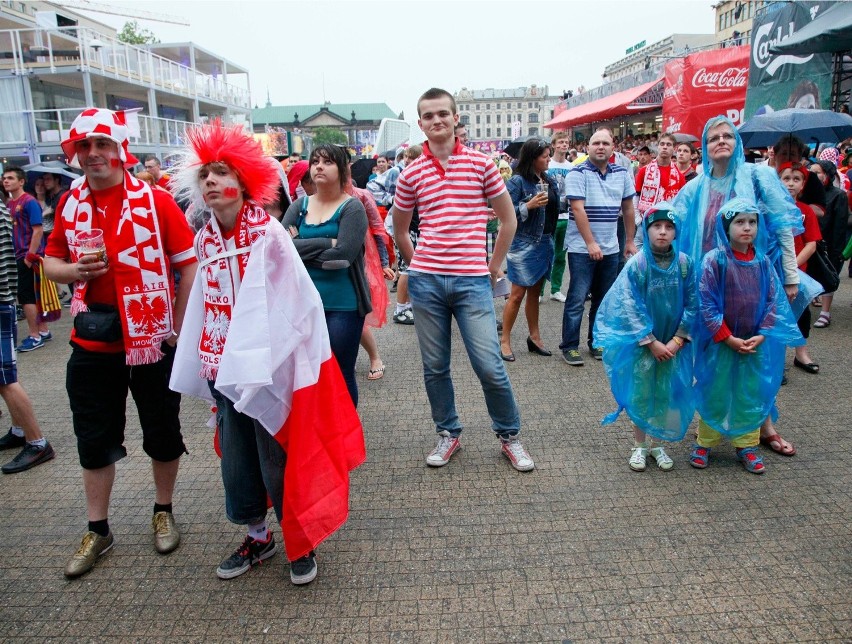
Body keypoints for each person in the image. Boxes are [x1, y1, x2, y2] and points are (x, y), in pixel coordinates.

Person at [168, 120, 364, 585]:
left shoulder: (269, 234)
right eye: (206, 176)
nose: (212, 182)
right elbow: (202, 303)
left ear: (244, 180)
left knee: (279, 454)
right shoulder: (203, 239)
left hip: (271, 368)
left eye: (222, 172)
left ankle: (300, 538)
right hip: (223, 369)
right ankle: (258, 535)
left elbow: (297, 302)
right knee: (237, 459)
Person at [43, 108, 198, 578]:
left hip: (151, 340)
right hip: (91, 343)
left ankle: (163, 510)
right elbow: (51, 263)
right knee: (93, 437)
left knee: (162, 431)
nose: (93, 154)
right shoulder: (70, 204)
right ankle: (98, 529)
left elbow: (187, 263)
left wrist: (177, 326)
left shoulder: (155, 200)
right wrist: (74, 273)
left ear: (119, 150)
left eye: (102, 145)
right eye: (84, 147)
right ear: (75, 153)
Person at [391, 87, 534, 472]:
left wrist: (493, 264)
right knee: (435, 366)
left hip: (472, 281)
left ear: (456, 119)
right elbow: (400, 228)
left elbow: (508, 219)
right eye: (427, 115)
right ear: (420, 123)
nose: (436, 120)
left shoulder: (481, 164)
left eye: (442, 114)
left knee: (489, 363)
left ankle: (510, 436)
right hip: (427, 282)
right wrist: (416, 264)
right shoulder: (410, 173)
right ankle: (448, 432)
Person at [674, 117, 819, 458]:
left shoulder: (757, 176)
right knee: (713, 353)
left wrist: (790, 274)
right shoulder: (697, 185)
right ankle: (711, 424)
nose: (721, 141)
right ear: (705, 148)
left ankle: (763, 426)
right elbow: (672, 222)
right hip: (711, 283)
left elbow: (783, 227)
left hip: (753, 281)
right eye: (714, 138)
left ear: (737, 142)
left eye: (728, 136)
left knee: (760, 355)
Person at [691, 198, 804, 474]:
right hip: (721, 343)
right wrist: (726, 337)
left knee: (750, 393)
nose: (747, 228)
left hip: (754, 344)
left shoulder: (763, 262)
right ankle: (704, 442)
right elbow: (706, 303)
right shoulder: (714, 260)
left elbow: (773, 301)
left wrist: (763, 334)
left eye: (752, 222)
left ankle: (747, 445)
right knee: (715, 390)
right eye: (739, 222)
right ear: (726, 227)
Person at [594, 203, 697, 472]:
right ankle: (639, 446)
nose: (662, 232)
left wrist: (677, 340)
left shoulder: (685, 264)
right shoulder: (637, 264)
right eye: (656, 227)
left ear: (676, 232)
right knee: (641, 393)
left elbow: (694, 303)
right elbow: (629, 305)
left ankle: (657, 444)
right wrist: (650, 341)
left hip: (673, 344)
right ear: (647, 230)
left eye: (669, 227)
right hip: (645, 345)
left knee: (664, 392)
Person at [281, 144, 371, 406]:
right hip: (301, 306)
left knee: (341, 373)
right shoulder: (299, 206)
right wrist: (327, 242)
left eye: (327, 162)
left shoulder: (352, 208)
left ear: (342, 170)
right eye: (315, 161)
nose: (319, 166)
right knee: (306, 375)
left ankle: (346, 437)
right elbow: (281, 249)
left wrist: (303, 249)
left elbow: (342, 258)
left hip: (342, 306)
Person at [558, 127, 638, 367]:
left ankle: (597, 342)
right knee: (577, 298)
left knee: (603, 300)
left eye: (605, 143)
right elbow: (578, 209)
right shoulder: (577, 173)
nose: (600, 147)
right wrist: (590, 242)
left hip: (611, 247)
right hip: (582, 249)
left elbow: (628, 209)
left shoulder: (622, 173)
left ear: (613, 148)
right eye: (596, 143)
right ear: (587, 148)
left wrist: (630, 241)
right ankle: (570, 346)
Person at [0, 197, 55, 474]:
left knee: (5, 378)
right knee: (4, 378)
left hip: (0, 300)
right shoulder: (6, 207)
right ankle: (20, 431)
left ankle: (37, 441)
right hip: (4, 298)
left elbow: (37, 230)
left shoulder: (25, 203)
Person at [501, 138, 558, 361]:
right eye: (545, 156)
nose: (549, 159)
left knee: (535, 293)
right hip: (524, 244)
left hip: (545, 242)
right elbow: (505, 213)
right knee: (516, 295)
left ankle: (534, 337)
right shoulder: (517, 182)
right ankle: (505, 340)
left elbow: (555, 207)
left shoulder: (549, 179)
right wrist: (528, 205)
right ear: (533, 158)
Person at [777, 162, 821, 374]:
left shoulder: (805, 211)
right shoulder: (770, 209)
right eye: (786, 178)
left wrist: (792, 267)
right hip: (775, 272)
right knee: (776, 315)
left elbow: (811, 243)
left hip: (799, 273)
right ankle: (776, 360)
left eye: (796, 179)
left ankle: (801, 353)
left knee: (801, 314)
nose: (791, 183)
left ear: (803, 184)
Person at [2, 167, 50, 351]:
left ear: (21, 181)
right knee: (32, 295)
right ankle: (43, 329)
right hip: (17, 255)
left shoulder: (29, 202)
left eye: (11, 178)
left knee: (26, 297)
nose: (6, 181)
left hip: (26, 256)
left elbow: (38, 230)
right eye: (4, 178)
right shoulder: (9, 204)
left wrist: (30, 255)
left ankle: (35, 335)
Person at [809, 160, 849, 327]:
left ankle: (825, 312)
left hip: (829, 243)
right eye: (811, 171)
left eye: (817, 172)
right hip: (811, 242)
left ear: (827, 175)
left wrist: (838, 250)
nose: (813, 175)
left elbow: (840, 224)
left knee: (828, 275)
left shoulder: (838, 195)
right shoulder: (808, 194)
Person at [389, 145, 423, 326]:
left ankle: (407, 306)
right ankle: (400, 309)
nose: (407, 160)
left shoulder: (417, 176)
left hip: (416, 230)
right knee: (406, 270)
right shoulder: (403, 176)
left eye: (411, 157)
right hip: (407, 230)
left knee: (411, 270)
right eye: (406, 157)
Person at [634, 133, 686, 249]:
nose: (665, 147)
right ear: (658, 147)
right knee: (640, 263)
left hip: (667, 227)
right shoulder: (644, 171)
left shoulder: (679, 176)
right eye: (662, 144)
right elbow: (636, 198)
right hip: (645, 223)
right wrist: (638, 221)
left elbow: (681, 204)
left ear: (674, 149)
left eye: (668, 144)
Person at [545, 131, 573, 302]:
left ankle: (555, 289)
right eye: (561, 142)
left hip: (566, 215)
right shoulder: (548, 165)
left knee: (561, 256)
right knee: (547, 254)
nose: (564, 145)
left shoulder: (571, 167)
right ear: (554, 145)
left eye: (566, 142)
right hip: (550, 216)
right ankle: (539, 290)